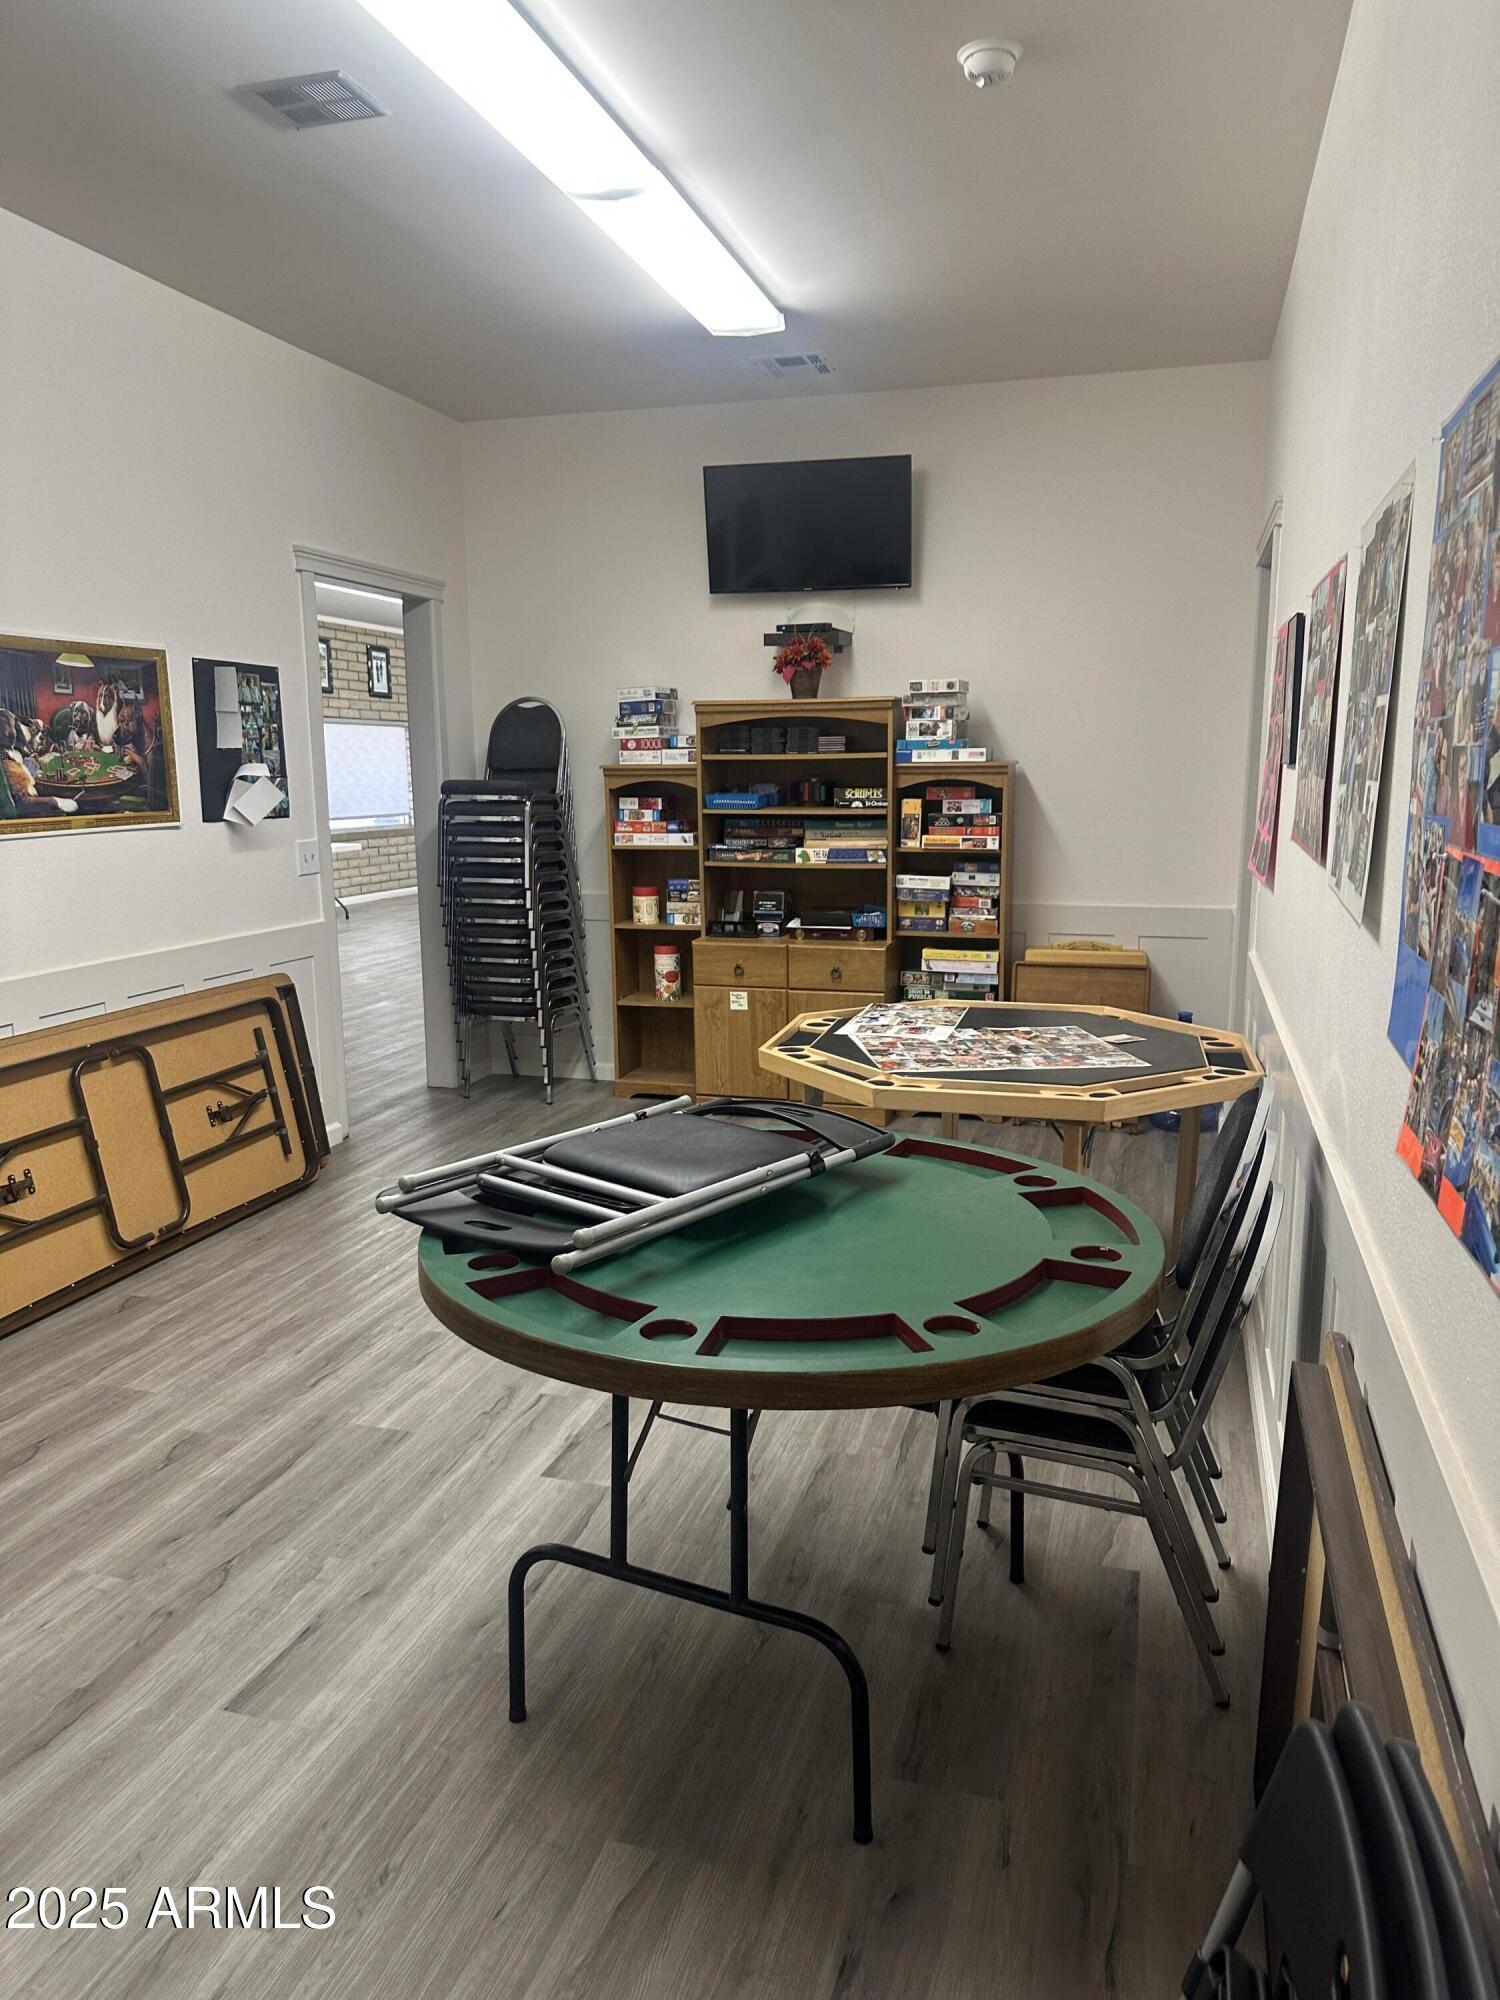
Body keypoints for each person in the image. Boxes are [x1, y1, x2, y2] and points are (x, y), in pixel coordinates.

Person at [0, 709, 76, 817]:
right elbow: (22, 802)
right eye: (15, 725)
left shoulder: (10, 753)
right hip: (28, 811)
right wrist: (55, 801)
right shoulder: (5, 761)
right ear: (6, 731)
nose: (19, 730)